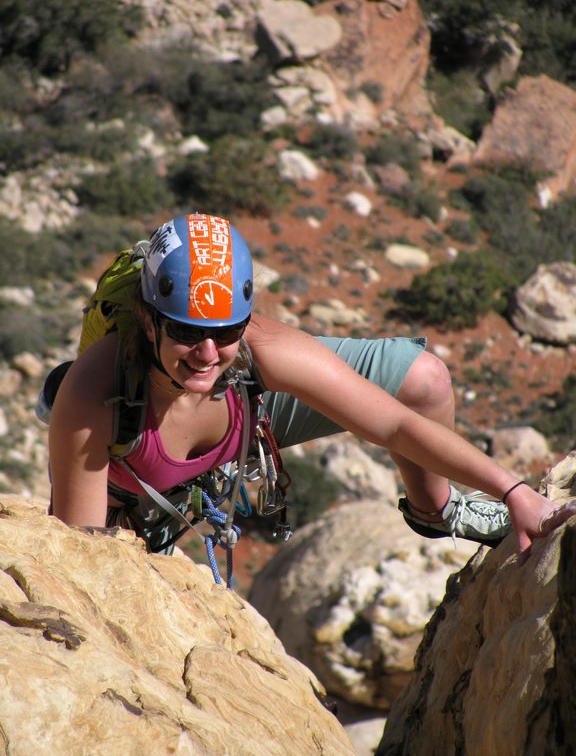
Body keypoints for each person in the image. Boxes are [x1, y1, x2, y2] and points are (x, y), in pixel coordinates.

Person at [48, 212, 574, 560]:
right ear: (148, 321)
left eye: (224, 332)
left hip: (242, 412)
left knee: (423, 379)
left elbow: (393, 421)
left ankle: (438, 509)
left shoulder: (257, 350)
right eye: (186, 332)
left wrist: (514, 491)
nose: (207, 354)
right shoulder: (95, 393)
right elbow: (83, 559)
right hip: (134, 490)